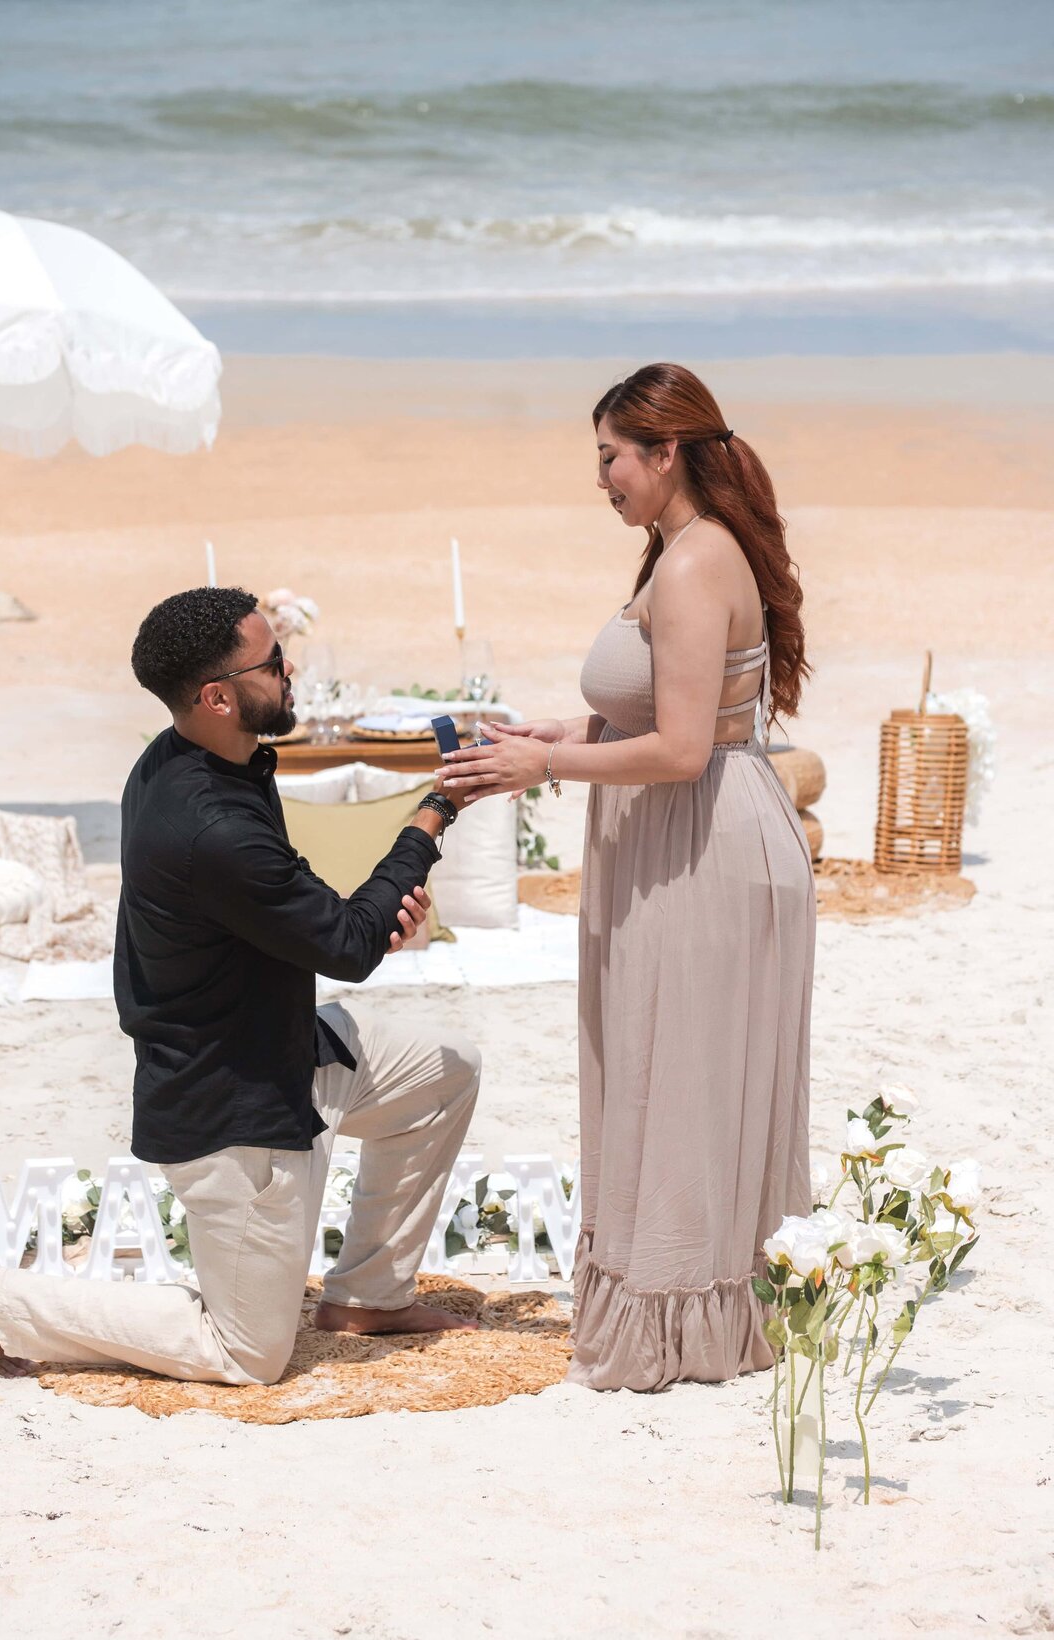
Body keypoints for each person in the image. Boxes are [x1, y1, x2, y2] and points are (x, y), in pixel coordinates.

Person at [0, 587, 478, 1383]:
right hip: (234, 1109)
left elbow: (318, 926)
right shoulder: (210, 827)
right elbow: (348, 942)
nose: (290, 667)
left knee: (446, 1074)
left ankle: (368, 1294)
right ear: (218, 696)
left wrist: (361, 921)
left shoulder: (195, 758)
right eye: (273, 661)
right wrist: (435, 812)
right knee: (250, 1353)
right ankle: (1, 1303)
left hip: (287, 1047)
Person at [437, 363, 814, 1391]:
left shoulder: (695, 563)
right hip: (681, 836)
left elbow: (688, 748)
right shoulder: (677, 552)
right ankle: (691, 1298)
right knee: (665, 1061)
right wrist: (565, 728)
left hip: (703, 843)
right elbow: (674, 710)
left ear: (666, 451)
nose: (600, 476)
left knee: (682, 1070)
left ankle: (687, 1315)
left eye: (610, 455)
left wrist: (544, 765)